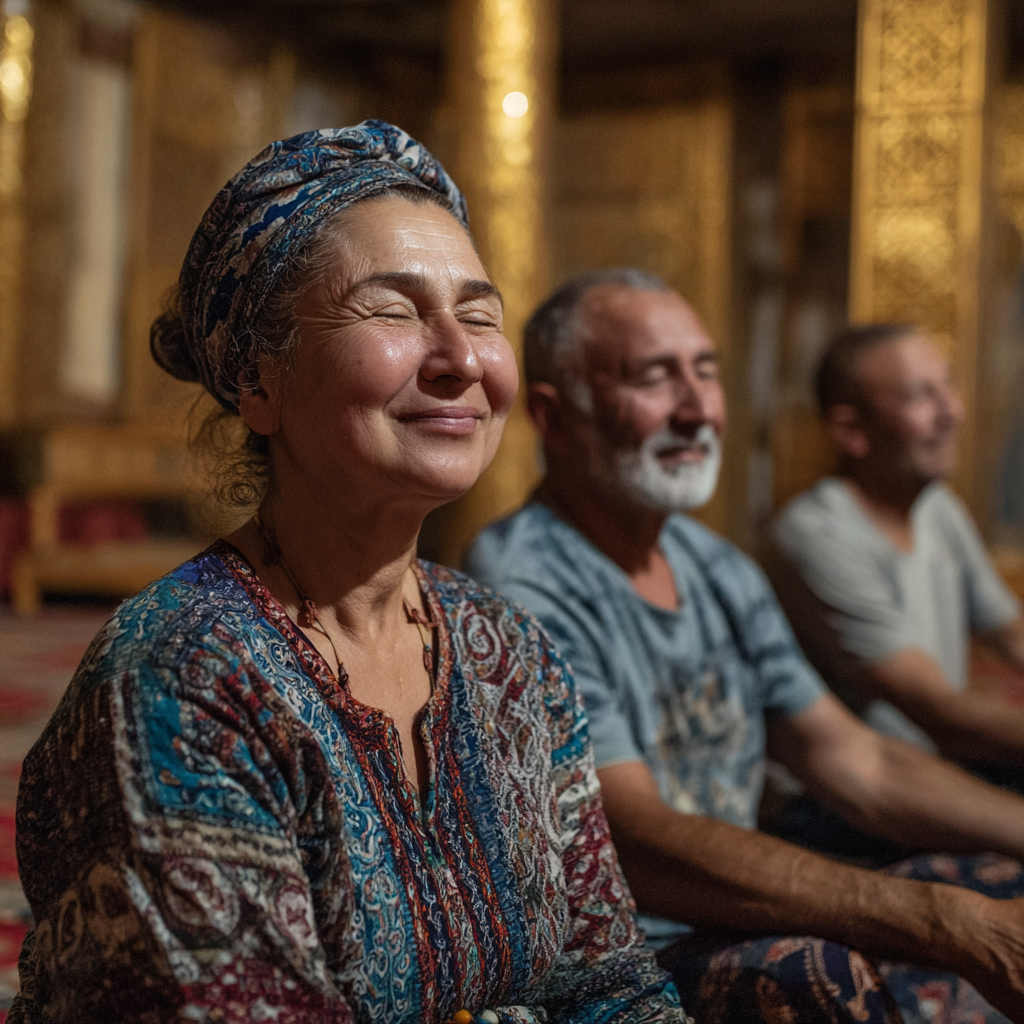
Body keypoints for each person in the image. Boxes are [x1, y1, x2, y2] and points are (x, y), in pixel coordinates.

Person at [9, 126, 686, 1024]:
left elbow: (608, 981)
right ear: (259, 381)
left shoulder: (506, 650)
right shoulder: (185, 679)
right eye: (395, 311)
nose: (460, 360)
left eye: (479, 316)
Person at [465, 268, 1024, 1024]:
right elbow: (633, 836)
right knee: (816, 977)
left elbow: (855, 759)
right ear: (555, 417)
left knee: (998, 878)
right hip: (627, 950)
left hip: (735, 910)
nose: (698, 410)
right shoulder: (521, 577)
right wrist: (935, 920)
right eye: (656, 378)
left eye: (706, 372)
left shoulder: (716, 565)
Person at [770, 324, 1024, 785]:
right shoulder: (817, 534)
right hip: (859, 802)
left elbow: (1012, 632)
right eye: (921, 396)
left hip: (938, 774)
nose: (953, 411)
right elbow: (936, 711)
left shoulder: (936, 507)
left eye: (947, 385)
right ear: (851, 430)